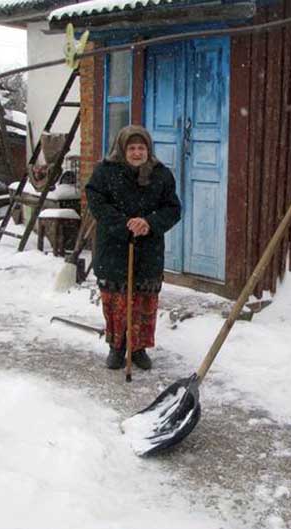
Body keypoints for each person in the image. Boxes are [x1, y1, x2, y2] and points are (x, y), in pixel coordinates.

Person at [86, 125, 181, 371]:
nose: (137, 153)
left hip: (148, 249)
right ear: (122, 149)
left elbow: (172, 209)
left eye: (141, 148)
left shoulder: (161, 175)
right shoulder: (105, 172)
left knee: (144, 301)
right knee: (116, 302)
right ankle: (116, 347)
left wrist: (149, 223)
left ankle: (138, 348)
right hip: (114, 247)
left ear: (148, 150)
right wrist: (125, 224)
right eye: (131, 148)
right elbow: (96, 202)